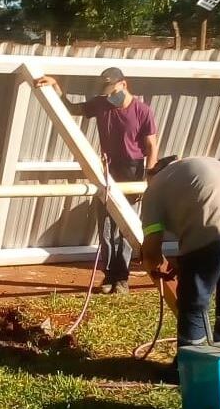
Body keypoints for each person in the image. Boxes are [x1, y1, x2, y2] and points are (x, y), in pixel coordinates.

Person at [35, 67, 160, 294]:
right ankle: (109, 276)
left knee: (124, 226)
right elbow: (72, 109)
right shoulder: (101, 104)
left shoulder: (142, 111)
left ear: (124, 83)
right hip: (105, 168)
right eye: (106, 91)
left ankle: (122, 278)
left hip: (131, 169)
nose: (110, 95)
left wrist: (148, 178)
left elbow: (152, 147)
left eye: (113, 89)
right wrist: (56, 87)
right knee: (105, 226)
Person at [139, 156, 220, 349]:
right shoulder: (202, 164)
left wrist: (154, 267)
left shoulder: (154, 187)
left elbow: (151, 249)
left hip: (212, 227)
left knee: (193, 301)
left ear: (153, 174)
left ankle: (190, 365)